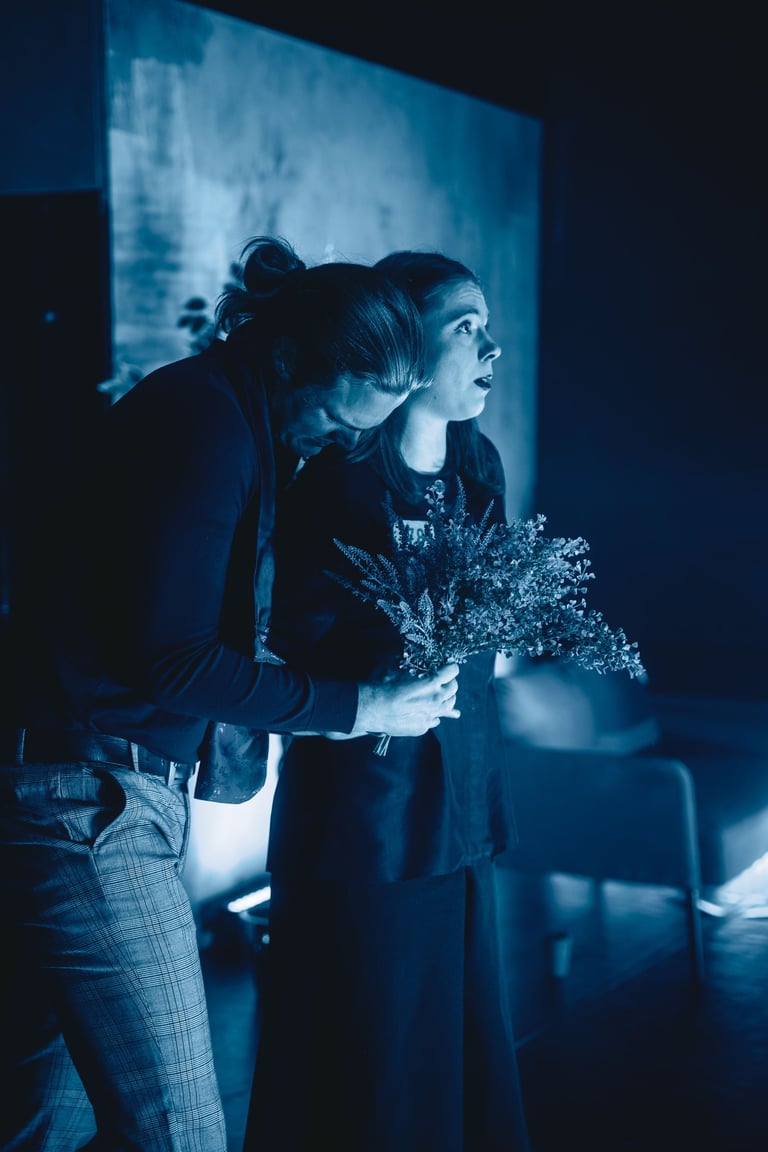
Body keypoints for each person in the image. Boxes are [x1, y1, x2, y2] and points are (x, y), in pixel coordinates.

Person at [0, 236, 461, 1152]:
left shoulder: (221, 415)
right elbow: (172, 662)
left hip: (93, 795)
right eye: (336, 415)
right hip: (88, 807)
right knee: (181, 1130)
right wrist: (363, 708)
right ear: (287, 359)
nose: (342, 440)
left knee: (50, 1119)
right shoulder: (202, 422)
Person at [245, 250, 532, 1151]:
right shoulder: (336, 482)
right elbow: (287, 637)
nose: (491, 349)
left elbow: (490, 626)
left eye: (487, 328)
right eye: (466, 328)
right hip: (363, 818)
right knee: (371, 1058)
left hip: (462, 801)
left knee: (460, 1044)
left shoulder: (480, 466)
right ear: (406, 346)